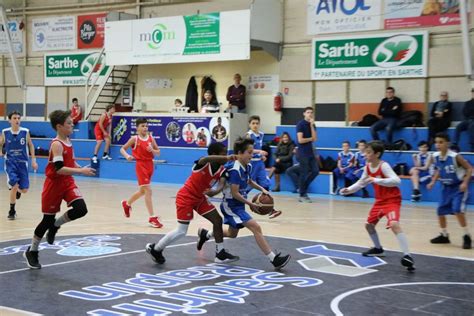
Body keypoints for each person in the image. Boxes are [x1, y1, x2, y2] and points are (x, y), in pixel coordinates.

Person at [197, 138, 291, 270]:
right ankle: (274, 259)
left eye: (252, 152)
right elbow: (235, 193)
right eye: (249, 152)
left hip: (238, 205)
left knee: (232, 234)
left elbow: (249, 181)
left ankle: (205, 234)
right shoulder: (235, 169)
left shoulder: (248, 165)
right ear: (240, 153)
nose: (251, 155)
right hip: (231, 206)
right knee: (256, 227)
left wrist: (262, 189)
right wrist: (250, 204)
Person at [23, 110, 96, 269]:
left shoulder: (69, 141)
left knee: (81, 209)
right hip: (54, 184)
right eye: (69, 123)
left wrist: (80, 168)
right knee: (46, 220)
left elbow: (70, 163)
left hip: (67, 182)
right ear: (59, 126)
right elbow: (59, 169)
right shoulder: (56, 144)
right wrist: (80, 171)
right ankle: (32, 251)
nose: (72, 125)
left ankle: (56, 226)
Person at [146, 143, 239, 264]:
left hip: (200, 198)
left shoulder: (222, 170)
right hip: (186, 197)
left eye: (226, 153)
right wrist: (226, 158)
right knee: (181, 231)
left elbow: (221, 185)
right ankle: (156, 249)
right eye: (223, 154)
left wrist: (214, 191)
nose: (225, 156)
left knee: (217, 220)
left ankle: (220, 253)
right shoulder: (202, 163)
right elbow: (204, 159)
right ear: (213, 155)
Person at [340, 141, 415, 271]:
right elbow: (361, 183)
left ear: (377, 154)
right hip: (380, 201)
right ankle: (378, 249)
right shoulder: (368, 167)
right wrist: (349, 189)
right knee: (369, 225)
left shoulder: (384, 166)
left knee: (394, 225)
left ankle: (407, 256)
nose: (365, 154)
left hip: (392, 200)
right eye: (365, 152)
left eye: (368, 152)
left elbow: (397, 181)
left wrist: (376, 180)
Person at [427, 132, 472, 249]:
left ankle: (466, 236)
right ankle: (444, 235)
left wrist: (465, 182)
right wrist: (432, 181)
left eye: (441, 142)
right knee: (440, 211)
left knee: (458, 210)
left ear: (447, 143)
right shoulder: (435, 156)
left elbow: (470, 168)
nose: (438, 145)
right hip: (446, 188)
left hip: (458, 187)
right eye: (436, 142)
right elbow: (439, 169)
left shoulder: (455, 157)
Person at [120, 118, 163, 228]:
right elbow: (122, 149)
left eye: (146, 126)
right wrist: (127, 156)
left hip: (150, 165)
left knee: (142, 191)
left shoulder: (151, 138)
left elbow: (158, 152)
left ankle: (127, 204)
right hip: (140, 165)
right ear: (137, 128)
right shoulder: (134, 139)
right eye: (143, 126)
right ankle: (152, 217)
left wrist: (152, 150)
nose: (145, 128)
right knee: (148, 190)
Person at [0, 111, 38, 219]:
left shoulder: (25, 132)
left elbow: (31, 145)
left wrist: (33, 160)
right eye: (14, 118)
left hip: (23, 163)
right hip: (10, 163)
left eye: (18, 118)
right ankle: (12, 211)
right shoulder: (5, 132)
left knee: (24, 190)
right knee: (14, 186)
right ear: (10, 120)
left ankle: (17, 191)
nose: (17, 120)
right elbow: (1, 143)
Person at [246, 115, 281, 218]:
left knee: (265, 185)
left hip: (260, 164)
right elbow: (248, 150)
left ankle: (271, 210)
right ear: (249, 124)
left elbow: (258, 148)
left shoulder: (261, 134)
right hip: (251, 164)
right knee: (247, 186)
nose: (255, 125)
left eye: (257, 123)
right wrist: (259, 152)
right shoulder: (248, 135)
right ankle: (237, 204)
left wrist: (261, 156)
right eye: (253, 123)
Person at [296, 107, 319, 203]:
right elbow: (300, 140)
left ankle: (303, 189)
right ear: (304, 113)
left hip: (310, 152)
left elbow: (315, 138)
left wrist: (312, 125)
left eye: (311, 113)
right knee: (304, 173)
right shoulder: (300, 124)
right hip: (302, 153)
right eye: (308, 112)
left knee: (315, 171)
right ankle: (302, 194)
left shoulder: (312, 124)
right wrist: (310, 139)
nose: (310, 114)